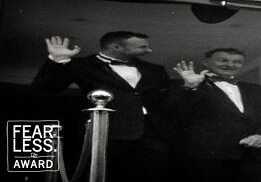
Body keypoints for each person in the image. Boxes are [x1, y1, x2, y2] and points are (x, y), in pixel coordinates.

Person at [31, 33, 171, 182]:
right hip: (106, 134)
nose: (149, 50)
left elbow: (168, 101)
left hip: (152, 137)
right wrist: (56, 60)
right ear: (116, 47)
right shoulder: (82, 65)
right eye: (143, 47)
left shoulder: (155, 70)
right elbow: (45, 88)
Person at [171, 48, 261, 182]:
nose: (230, 64)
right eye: (223, 60)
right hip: (211, 160)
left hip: (255, 159)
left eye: (237, 62)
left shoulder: (258, 90)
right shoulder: (190, 86)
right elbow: (175, 114)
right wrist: (191, 87)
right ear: (206, 62)